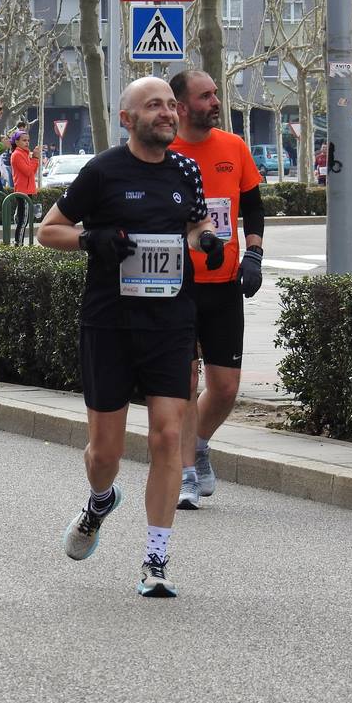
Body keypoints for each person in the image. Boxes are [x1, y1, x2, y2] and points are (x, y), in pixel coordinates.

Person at [36, 76, 223, 598]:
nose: (167, 113)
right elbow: (48, 230)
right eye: (154, 106)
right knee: (106, 452)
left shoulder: (185, 169)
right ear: (128, 118)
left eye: (169, 105)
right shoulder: (102, 171)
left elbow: (194, 221)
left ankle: (156, 560)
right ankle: (100, 500)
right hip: (110, 324)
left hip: (170, 322)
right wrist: (91, 238)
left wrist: (202, 239)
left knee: (167, 435)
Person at [168, 69, 265, 510]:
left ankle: (200, 444)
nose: (215, 101)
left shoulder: (234, 146)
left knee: (225, 387)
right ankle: (186, 473)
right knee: (186, 382)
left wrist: (254, 255)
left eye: (215, 94)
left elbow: (254, 207)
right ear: (183, 106)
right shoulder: (164, 152)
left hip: (224, 284)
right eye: (206, 96)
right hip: (177, 286)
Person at [9, 129, 40, 246]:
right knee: (23, 221)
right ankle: (19, 244)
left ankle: (18, 243)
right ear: (16, 142)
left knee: (22, 219)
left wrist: (34, 159)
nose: (27, 143)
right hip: (23, 191)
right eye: (24, 140)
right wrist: (35, 158)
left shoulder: (25, 153)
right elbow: (28, 172)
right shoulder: (17, 154)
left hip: (27, 190)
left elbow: (32, 172)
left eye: (28, 140)